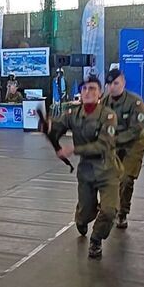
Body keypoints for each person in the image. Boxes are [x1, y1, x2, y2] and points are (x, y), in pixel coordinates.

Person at [47, 75, 120, 259]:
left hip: (107, 170)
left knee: (109, 211)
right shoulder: (73, 114)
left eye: (92, 89)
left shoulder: (108, 116)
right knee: (86, 211)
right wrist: (48, 126)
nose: (88, 92)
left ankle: (96, 239)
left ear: (100, 93)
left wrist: (74, 149)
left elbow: (103, 145)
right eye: (84, 89)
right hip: (86, 171)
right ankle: (81, 219)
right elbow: (57, 128)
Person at [99, 68, 144, 229]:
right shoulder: (104, 103)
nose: (112, 87)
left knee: (126, 178)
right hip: (114, 144)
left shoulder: (135, 102)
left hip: (134, 144)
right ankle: (109, 207)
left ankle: (122, 213)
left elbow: (136, 129)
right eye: (109, 84)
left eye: (116, 83)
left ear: (123, 83)